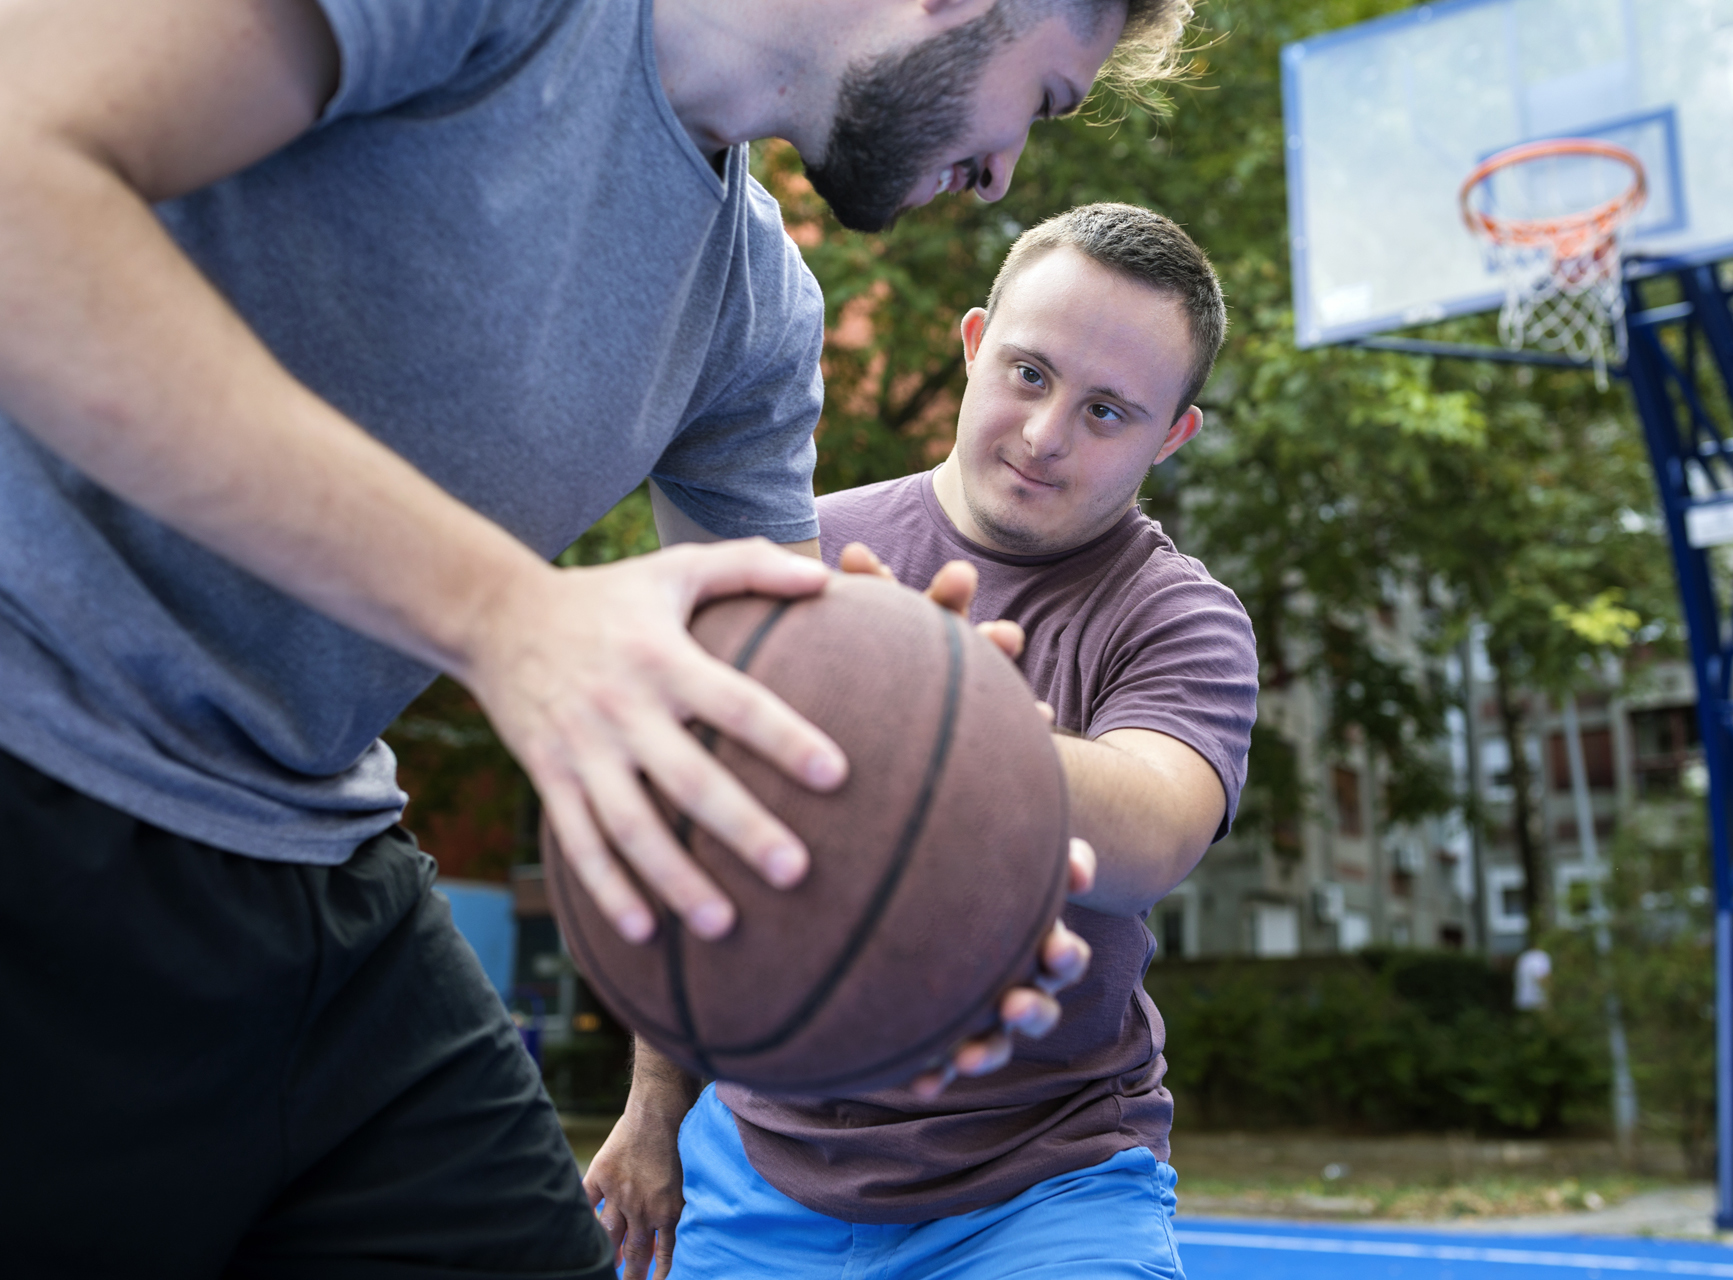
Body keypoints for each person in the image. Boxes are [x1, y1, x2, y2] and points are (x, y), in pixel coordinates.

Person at [0, 2, 1195, 1274]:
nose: (1006, 166)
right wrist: (505, 612)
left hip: (308, 856)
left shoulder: (756, 316)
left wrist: (925, 918)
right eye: (1047, 98)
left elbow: (775, 730)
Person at [587, 203, 1260, 1278]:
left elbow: (1156, 828)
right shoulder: (801, 540)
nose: (1047, 435)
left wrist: (955, 722)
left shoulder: (1180, 615)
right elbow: (695, 845)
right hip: (759, 1161)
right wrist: (655, 1102)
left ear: (1171, 435)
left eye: (1107, 411)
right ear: (974, 342)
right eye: (1030, 374)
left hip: (1043, 1179)